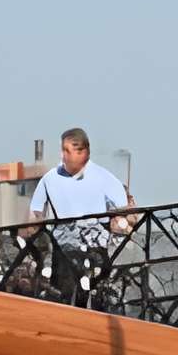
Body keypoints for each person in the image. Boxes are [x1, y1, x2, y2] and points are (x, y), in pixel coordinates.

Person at [31, 128, 133, 309]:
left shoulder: (102, 178)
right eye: (65, 150)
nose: (67, 156)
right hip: (63, 247)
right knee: (61, 284)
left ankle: (97, 304)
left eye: (73, 150)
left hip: (94, 244)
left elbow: (126, 209)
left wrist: (118, 218)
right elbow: (36, 213)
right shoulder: (50, 180)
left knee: (100, 276)